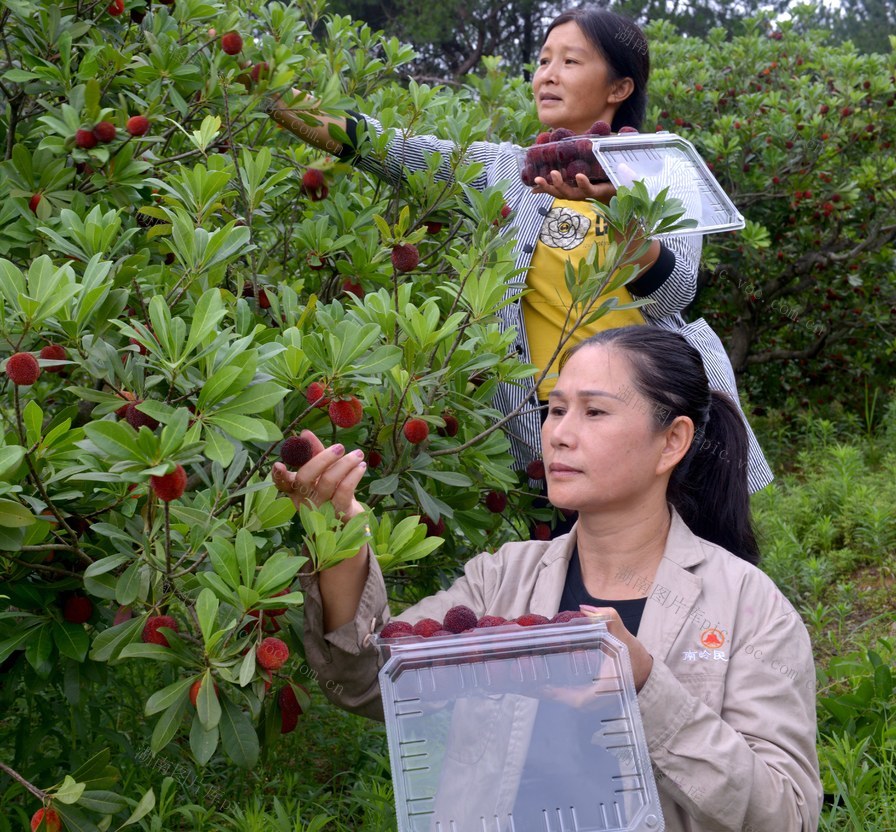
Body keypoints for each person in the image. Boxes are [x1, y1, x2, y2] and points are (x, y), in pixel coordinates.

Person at [272, 325, 821, 832]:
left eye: (594, 412)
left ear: (672, 441)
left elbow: (786, 815)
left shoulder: (747, 608)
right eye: (555, 410)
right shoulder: (502, 579)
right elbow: (372, 680)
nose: (559, 434)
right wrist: (341, 542)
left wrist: (647, 687)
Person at [264, 7, 774, 494]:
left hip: (652, 417)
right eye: (544, 60)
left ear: (619, 88)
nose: (548, 75)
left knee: (688, 564)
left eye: (571, 62)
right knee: (573, 574)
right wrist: (273, 95)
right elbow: (390, 150)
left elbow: (675, 295)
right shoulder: (508, 170)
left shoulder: (660, 167)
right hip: (551, 426)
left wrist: (622, 220)